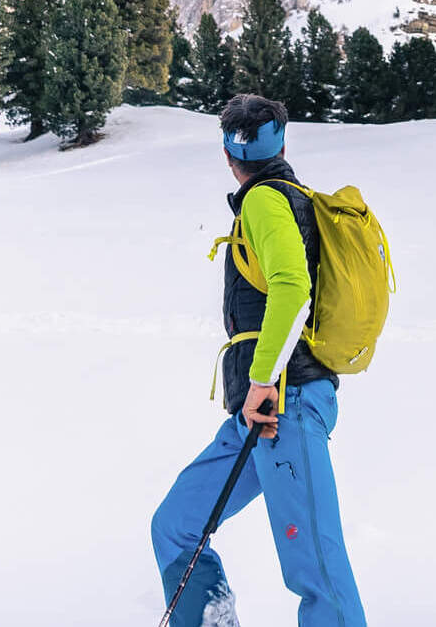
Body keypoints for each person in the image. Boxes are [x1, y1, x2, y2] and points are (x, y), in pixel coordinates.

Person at [151, 93, 366, 625]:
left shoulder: (266, 201)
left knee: (315, 568)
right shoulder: (282, 198)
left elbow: (293, 290)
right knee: (177, 523)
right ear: (283, 143)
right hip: (259, 410)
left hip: (281, 406)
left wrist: (264, 380)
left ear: (228, 154)